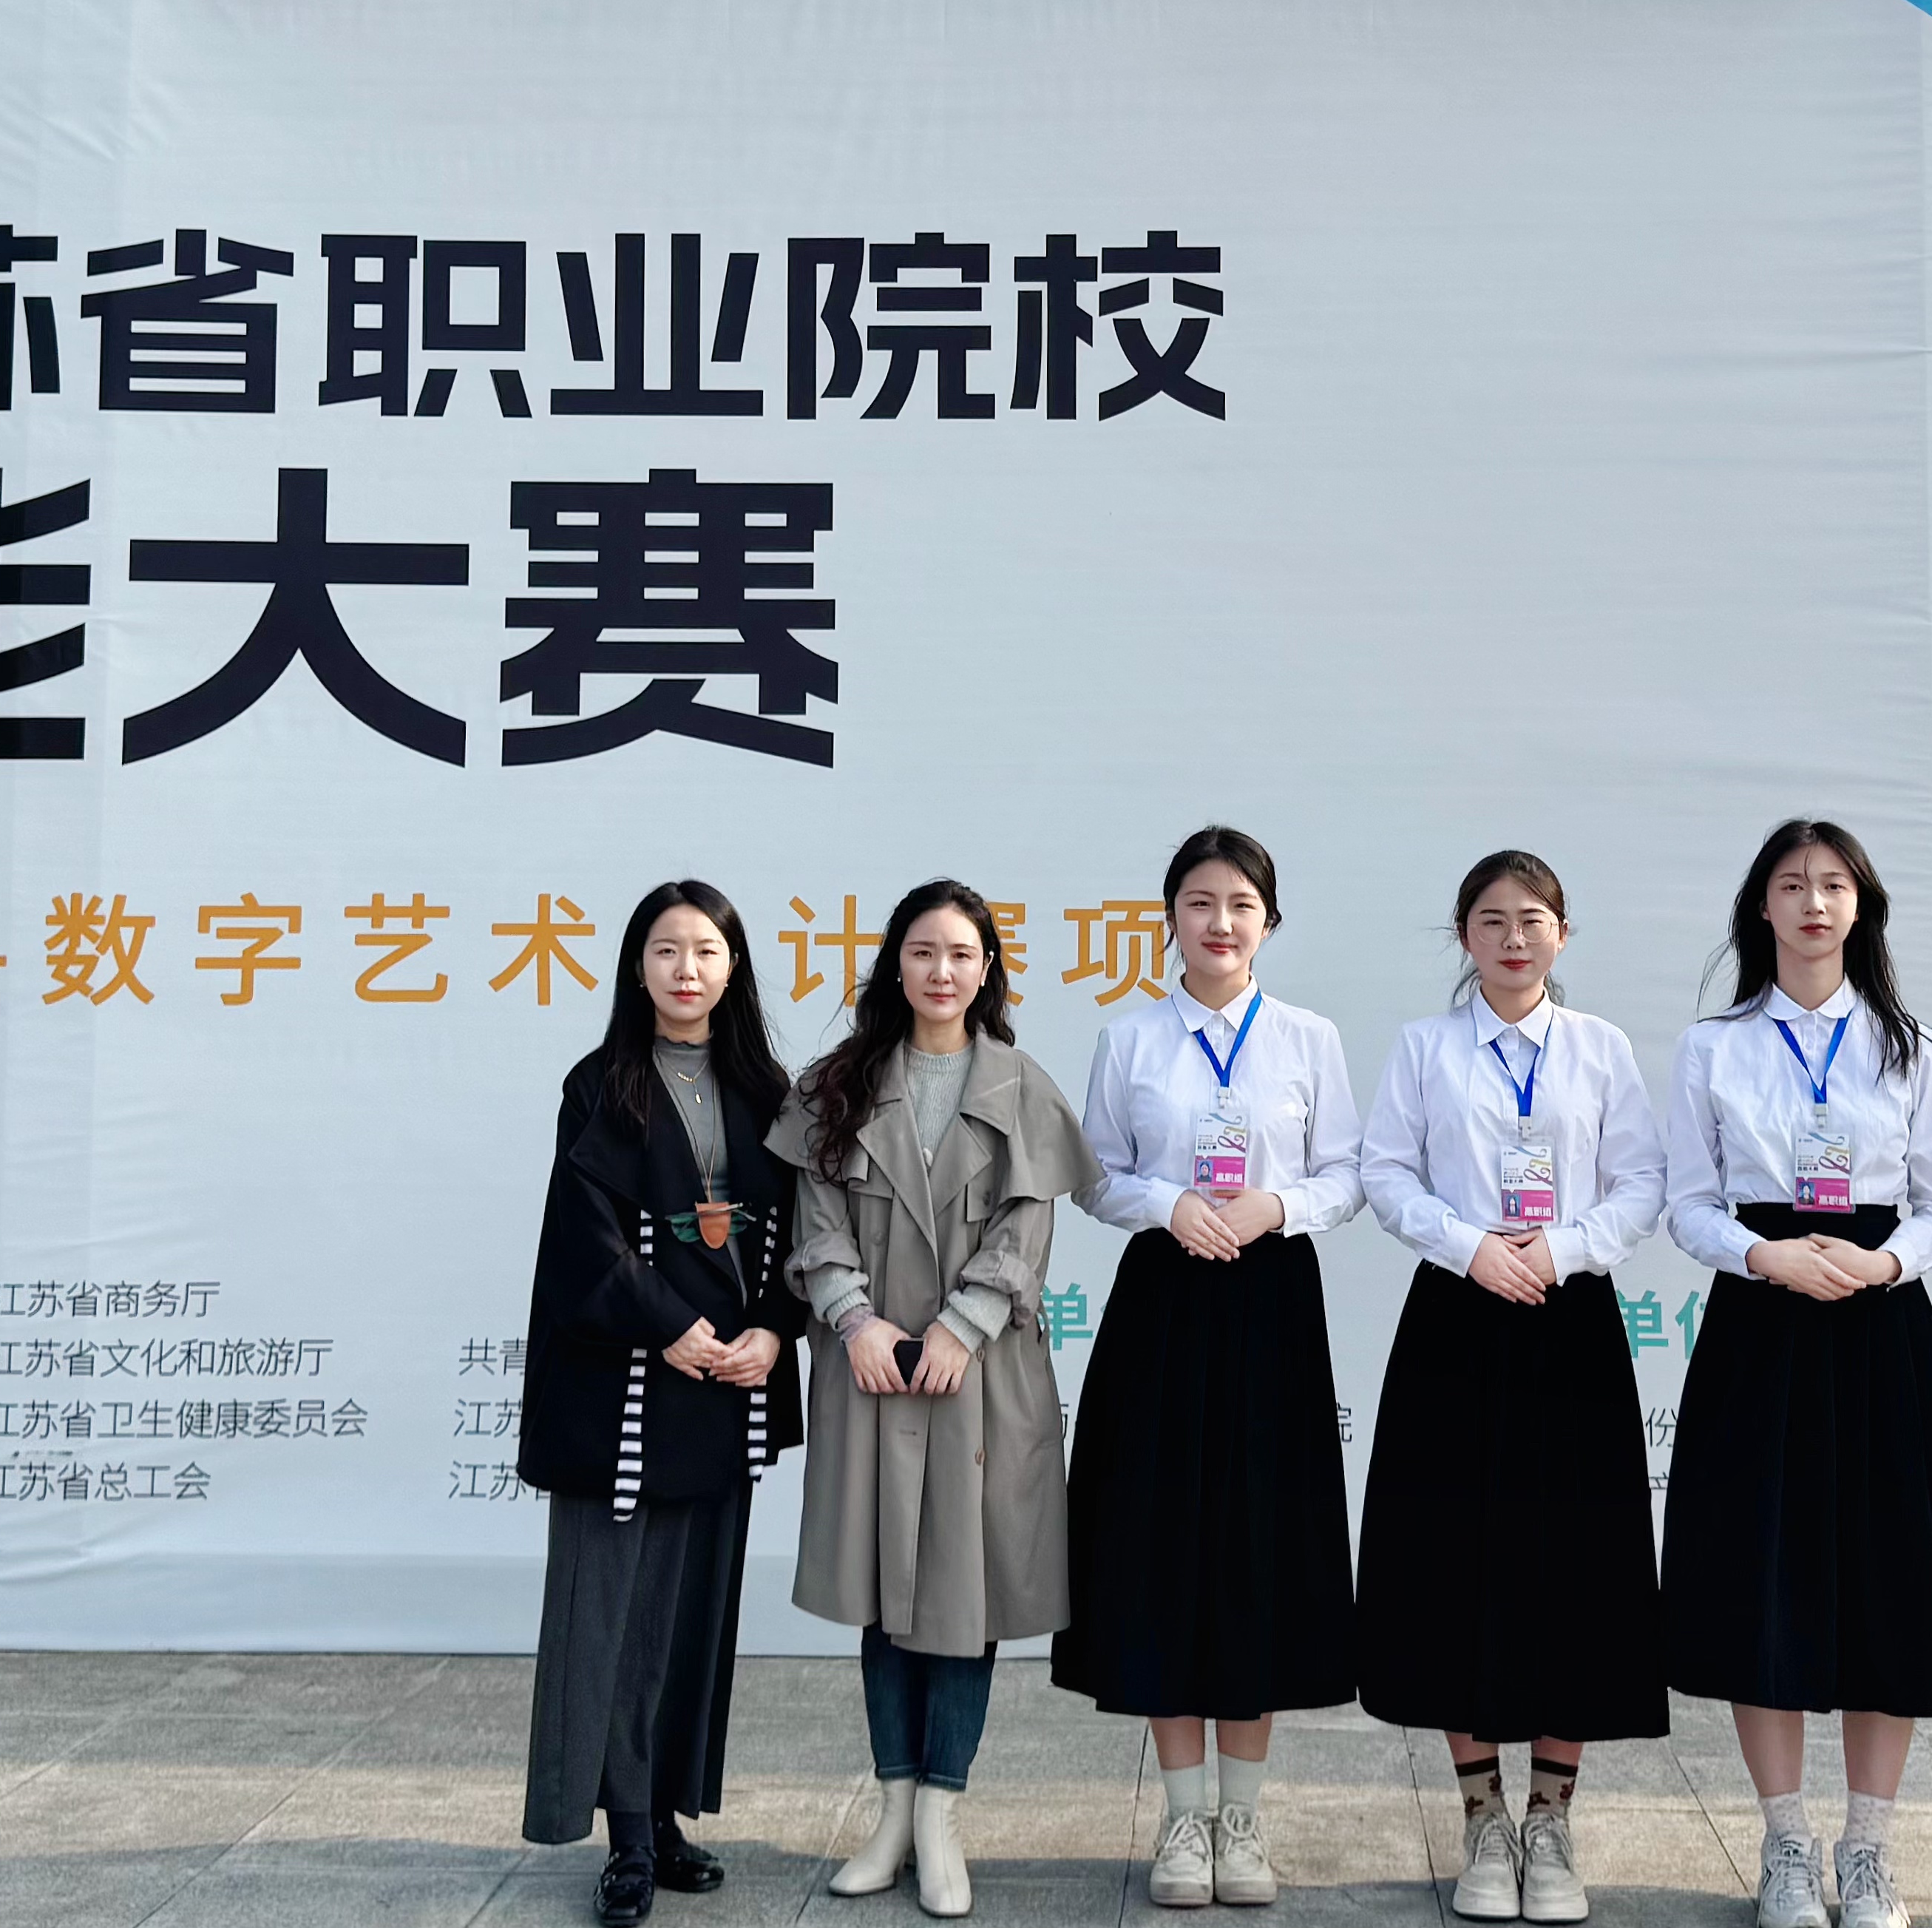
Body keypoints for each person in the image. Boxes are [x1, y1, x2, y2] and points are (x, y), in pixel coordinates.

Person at [1658, 819, 1932, 1928]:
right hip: (1760, 1326)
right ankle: (1787, 1845)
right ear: (1760, 906)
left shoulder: (1913, 1047)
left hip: (1878, 1324)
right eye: (1792, 884)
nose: (1813, 903)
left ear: (1862, 906)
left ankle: (1868, 1849)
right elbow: (1687, 1203)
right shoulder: (1713, 1046)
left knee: (1886, 1583)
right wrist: (1763, 1256)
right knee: (1766, 1582)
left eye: (1835, 884)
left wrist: (1884, 1261)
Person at [1052, 824, 1366, 1910]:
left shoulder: (1308, 1037)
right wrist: (1166, 1202)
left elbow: (1347, 1175)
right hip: (1166, 1301)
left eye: (1240, 904)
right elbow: (1095, 1176)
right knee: (1161, 1548)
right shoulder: (1130, 1036)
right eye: (1199, 902)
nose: (1220, 922)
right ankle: (1182, 1818)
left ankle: (1243, 1817)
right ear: (1171, 918)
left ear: (1268, 921)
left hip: (1272, 1302)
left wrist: (1276, 1204)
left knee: (1256, 1550)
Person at [1352, 850, 1669, 1925]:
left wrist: (1563, 1249)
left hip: (1569, 1320)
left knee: (1573, 1566)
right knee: (1456, 1560)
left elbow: (1642, 1181)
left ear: (1562, 934)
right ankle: (1482, 1814)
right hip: (1457, 1314)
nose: (1514, 938)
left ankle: (1552, 1817)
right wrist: (1469, 1246)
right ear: (1464, 938)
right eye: (1491, 921)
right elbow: (1385, 1172)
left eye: (1532, 919)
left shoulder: (1599, 1048)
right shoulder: (1425, 1047)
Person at [782, 880, 1097, 1919]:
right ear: (895, 964)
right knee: (883, 1589)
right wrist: (854, 1319)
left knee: (965, 1597)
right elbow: (814, 1219)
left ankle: (940, 1817)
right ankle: (891, 1810)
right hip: (872, 1370)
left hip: (980, 1375)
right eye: (923, 952)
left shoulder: (1019, 1084)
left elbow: (1026, 1226)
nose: (941, 971)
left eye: (962, 953)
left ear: (987, 969)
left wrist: (963, 1325)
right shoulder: (836, 1084)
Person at [518, 882, 810, 1927]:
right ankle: (627, 1836)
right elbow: (582, 1240)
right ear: (636, 967)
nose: (687, 970)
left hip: (727, 1386)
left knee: (692, 1620)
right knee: (613, 1619)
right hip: (629, 1388)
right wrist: (669, 1327)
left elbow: (805, 1232)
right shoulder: (601, 1083)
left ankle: (669, 1814)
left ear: (734, 969)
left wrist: (774, 1329)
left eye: (707, 951)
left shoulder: (768, 1089)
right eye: (666, 950)